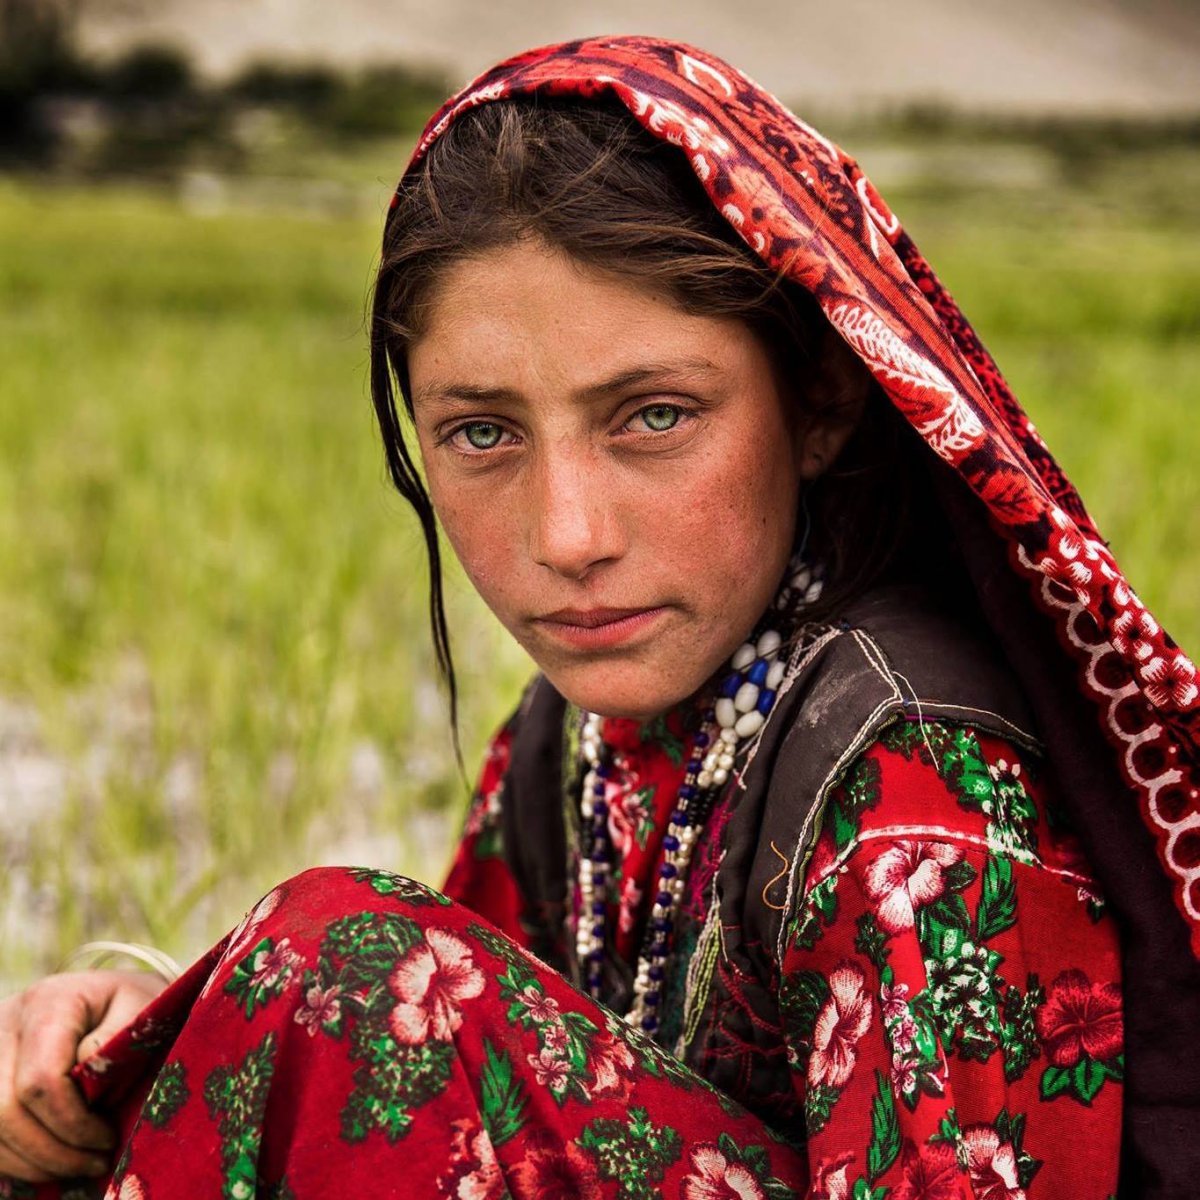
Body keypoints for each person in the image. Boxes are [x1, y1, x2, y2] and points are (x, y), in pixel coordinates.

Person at [1, 34, 1197, 1200]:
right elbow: (454, 1081)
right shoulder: (574, 738)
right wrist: (161, 1044)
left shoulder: (912, 785)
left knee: (349, 969)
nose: (568, 537)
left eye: (655, 416)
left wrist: (308, 998)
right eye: (482, 434)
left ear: (822, 401)